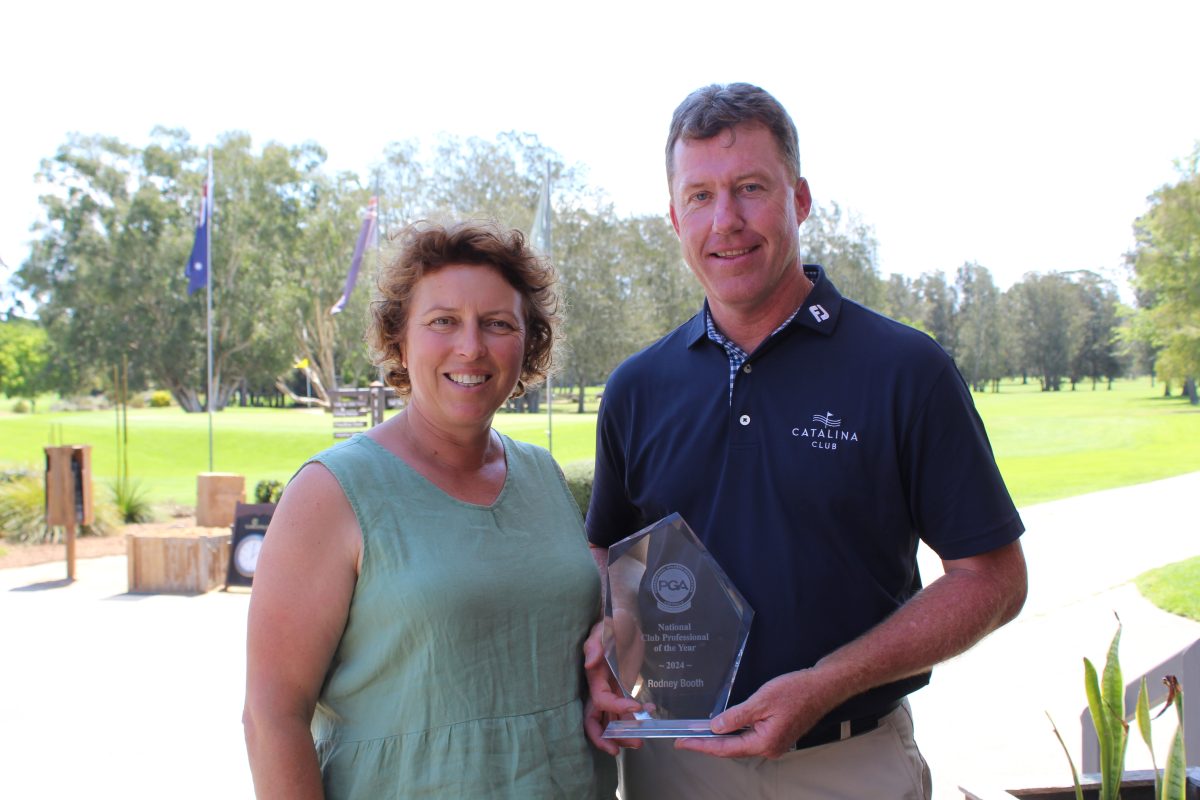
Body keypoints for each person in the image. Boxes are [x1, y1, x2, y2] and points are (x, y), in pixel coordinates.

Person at [582, 83, 1028, 799]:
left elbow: (994, 580)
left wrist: (826, 683)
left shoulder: (905, 370)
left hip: (846, 768)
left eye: (750, 188)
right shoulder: (637, 386)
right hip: (674, 767)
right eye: (699, 197)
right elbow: (610, 558)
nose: (725, 220)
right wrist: (607, 645)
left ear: (800, 199)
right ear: (673, 217)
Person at [243, 220, 617, 799]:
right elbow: (272, 719)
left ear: (529, 343)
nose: (471, 346)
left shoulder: (544, 477)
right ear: (400, 339)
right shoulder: (332, 492)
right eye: (443, 321)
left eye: (498, 324)